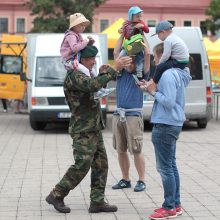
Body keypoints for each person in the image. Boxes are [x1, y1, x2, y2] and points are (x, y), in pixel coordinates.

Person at [46, 45, 132, 214]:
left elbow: (93, 85)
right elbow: (92, 86)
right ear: (82, 60)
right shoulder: (74, 76)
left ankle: (97, 202)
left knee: (101, 164)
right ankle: (56, 194)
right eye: (91, 59)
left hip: (93, 127)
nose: (94, 62)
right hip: (83, 129)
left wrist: (102, 73)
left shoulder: (85, 73)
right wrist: (115, 68)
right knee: (82, 165)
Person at [139, 43, 191, 219]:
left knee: (165, 168)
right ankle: (175, 205)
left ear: (163, 56)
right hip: (172, 123)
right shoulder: (177, 73)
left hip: (166, 124)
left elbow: (168, 102)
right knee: (171, 165)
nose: (154, 60)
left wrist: (153, 92)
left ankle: (169, 207)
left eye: (155, 56)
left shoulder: (168, 75)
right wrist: (150, 87)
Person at [111, 33, 150, 192]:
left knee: (136, 149)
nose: (127, 64)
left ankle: (141, 180)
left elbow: (147, 53)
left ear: (136, 62)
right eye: (124, 61)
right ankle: (125, 179)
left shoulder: (141, 74)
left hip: (133, 115)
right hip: (118, 115)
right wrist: (120, 35)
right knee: (120, 149)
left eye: (129, 61)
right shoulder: (119, 74)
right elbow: (115, 53)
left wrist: (141, 36)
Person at [60, 12, 115, 99]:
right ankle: (96, 92)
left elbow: (82, 47)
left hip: (74, 59)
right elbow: (75, 48)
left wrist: (90, 42)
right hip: (69, 61)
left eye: (84, 25)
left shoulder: (77, 35)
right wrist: (85, 42)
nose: (84, 27)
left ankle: (100, 90)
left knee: (92, 71)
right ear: (74, 26)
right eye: (81, 25)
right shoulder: (71, 36)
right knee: (85, 70)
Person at [150, 20, 189, 85]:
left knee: (160, 67)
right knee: (164, 66)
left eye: (158, 34)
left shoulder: (168, 40)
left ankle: (154, 83)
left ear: (163, 32)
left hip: (178, 62)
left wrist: (160, 63)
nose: (158, 37)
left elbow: (166, 55)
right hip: (183, 61)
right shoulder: (175, 37)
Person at [118, 6, 149, 78]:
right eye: (137, 16)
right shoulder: (126, 23)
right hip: (128, 45)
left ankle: (139, 72)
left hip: (137, 45)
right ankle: (119, 70)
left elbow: (147, 31)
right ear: (131, 16)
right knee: (121, 56)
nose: (140, 18)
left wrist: (143, 27)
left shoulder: (141, 23)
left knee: (139, 58)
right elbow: (121, 29)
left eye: (141, 16)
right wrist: (120, 30)